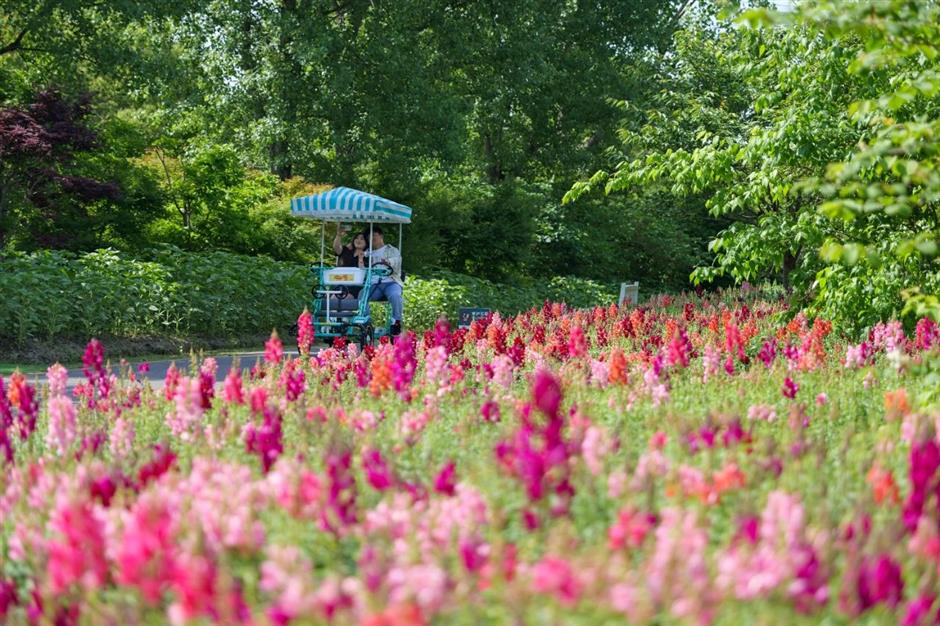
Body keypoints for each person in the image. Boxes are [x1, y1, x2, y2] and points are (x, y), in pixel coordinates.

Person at [363, 225, 403, 336]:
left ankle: (396, 322)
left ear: (381, 236)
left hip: (391, 281)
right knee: (362, 296)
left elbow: (397, 261)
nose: (372, 239)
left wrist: (388, 261)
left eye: (374, 236)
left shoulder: (391, 250)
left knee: (395, 295)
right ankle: (366, 322)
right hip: (374, 283)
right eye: (369, 237)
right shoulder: (367, 252)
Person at [332, 224, 367, 298]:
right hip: (340, 281)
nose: (358, 240)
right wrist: (339, 235)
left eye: (362, 239)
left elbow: (363, 272)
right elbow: (336, 247)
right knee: (334, 297)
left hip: (354, 285)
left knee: (347, 297)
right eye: (357, 238)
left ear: (366, 242)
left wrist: (361, 259)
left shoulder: (367, 256)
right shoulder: (346, 250)